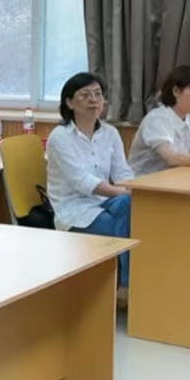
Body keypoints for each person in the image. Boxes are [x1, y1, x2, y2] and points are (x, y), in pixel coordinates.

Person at [47, 72, 133, 288]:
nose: (93, 100)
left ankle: (127, 284)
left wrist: (133, 190)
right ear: (69, 103)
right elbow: (81, 182)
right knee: (122, 227)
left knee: (135, 208)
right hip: (74, 210)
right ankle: (125, 285)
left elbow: (123, 172)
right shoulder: (60, 137)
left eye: (98, 94)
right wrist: (121, 192)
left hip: (105, 201)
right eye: (85, 95)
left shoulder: (110, 133)